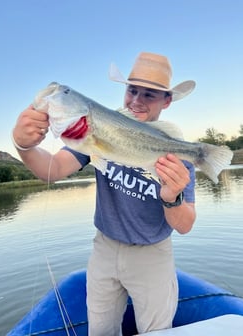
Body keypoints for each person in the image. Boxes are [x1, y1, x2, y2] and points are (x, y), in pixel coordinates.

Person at [12, 52, 196, 335]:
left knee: (157, 331)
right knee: (99, 329)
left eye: (149, 95)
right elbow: (52, 168)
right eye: (132, 90)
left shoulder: (178, 157)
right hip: (104, 249)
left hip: (152, 254)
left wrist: (172, 197)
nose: (136, 100)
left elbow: (185, 225)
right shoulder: (96, 130)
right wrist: (23, 146)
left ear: (166, 101)